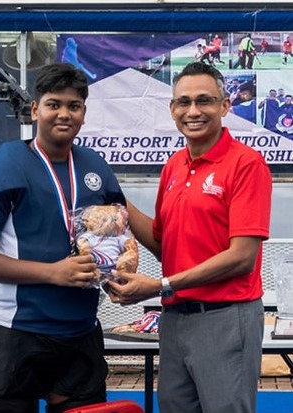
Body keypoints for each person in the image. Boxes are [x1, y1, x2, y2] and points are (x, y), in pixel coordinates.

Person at [0, 62, 126, 413]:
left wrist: (115, 274)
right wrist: (53, 272)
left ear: (83, 113)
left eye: (74, 106)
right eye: (53, 104)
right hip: (11, 334)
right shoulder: (2, 166)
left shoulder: (96, 167)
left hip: (80, 334)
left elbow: (115, 233)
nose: (64, 114)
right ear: (35, 109)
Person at [107, 62, 272, 413]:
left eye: (204, 101)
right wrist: (114, 196)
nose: (193, 111)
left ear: (225, 106)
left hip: (226, 318)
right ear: (172, 109)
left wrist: (160, 285)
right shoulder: (174, 166)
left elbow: (242, 256)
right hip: (177, 319)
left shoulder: (247, 164)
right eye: (183, 102)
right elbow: (164, 244)